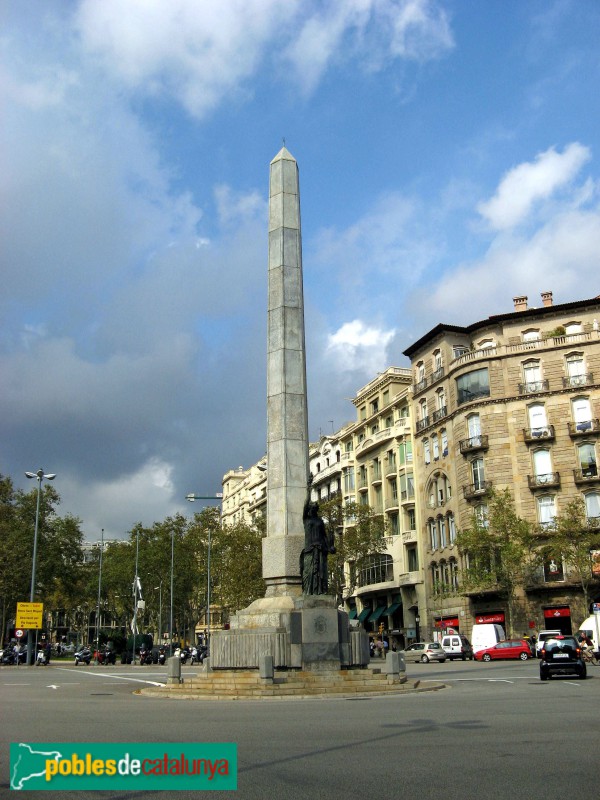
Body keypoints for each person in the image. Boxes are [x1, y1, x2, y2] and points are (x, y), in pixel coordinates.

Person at [300, 475, 336, 595]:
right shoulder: (306, 519)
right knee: (308, 573)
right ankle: (308, 592)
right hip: (309, 550)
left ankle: (320, 592)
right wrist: (309, 489)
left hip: (320, 549)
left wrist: (330, 547)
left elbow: (324, 536)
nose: (313, 509)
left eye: (315, 508)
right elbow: (305, 504)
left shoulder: (320, 521)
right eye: (312, 507)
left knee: (321, 573)